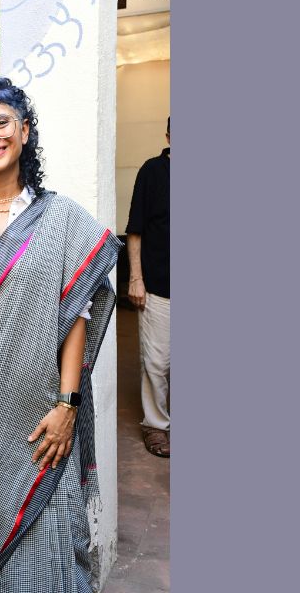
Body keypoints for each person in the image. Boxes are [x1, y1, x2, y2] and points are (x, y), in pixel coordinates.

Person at [0, 75, 121, 592]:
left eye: (1, 122)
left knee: (52, 538)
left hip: (42, 415)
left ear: (24, 130)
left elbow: (77, 315)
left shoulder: (60, 217)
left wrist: (67, 405)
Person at [125, 117, 170, 458]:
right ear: (169, 135)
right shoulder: (152, 171)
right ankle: (156, 424)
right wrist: (136, 278)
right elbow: (135, 229)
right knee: (157, 362)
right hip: (159, 285)